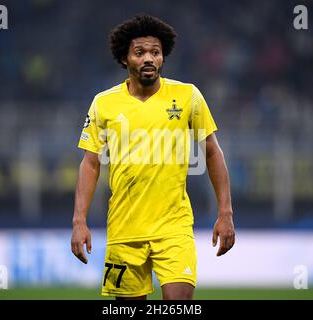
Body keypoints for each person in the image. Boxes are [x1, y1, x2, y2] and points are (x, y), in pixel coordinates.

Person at [71, 14, 235, 300]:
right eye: (140, 52)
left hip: (174, 227)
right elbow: (90, 162)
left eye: (155, 52)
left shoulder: (188, 96)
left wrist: (225, 213)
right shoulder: (104, 103)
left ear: (163, 57)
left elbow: (212, 151)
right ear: (125, 59)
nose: (149, 58)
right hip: (124, 228)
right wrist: (79, 222)